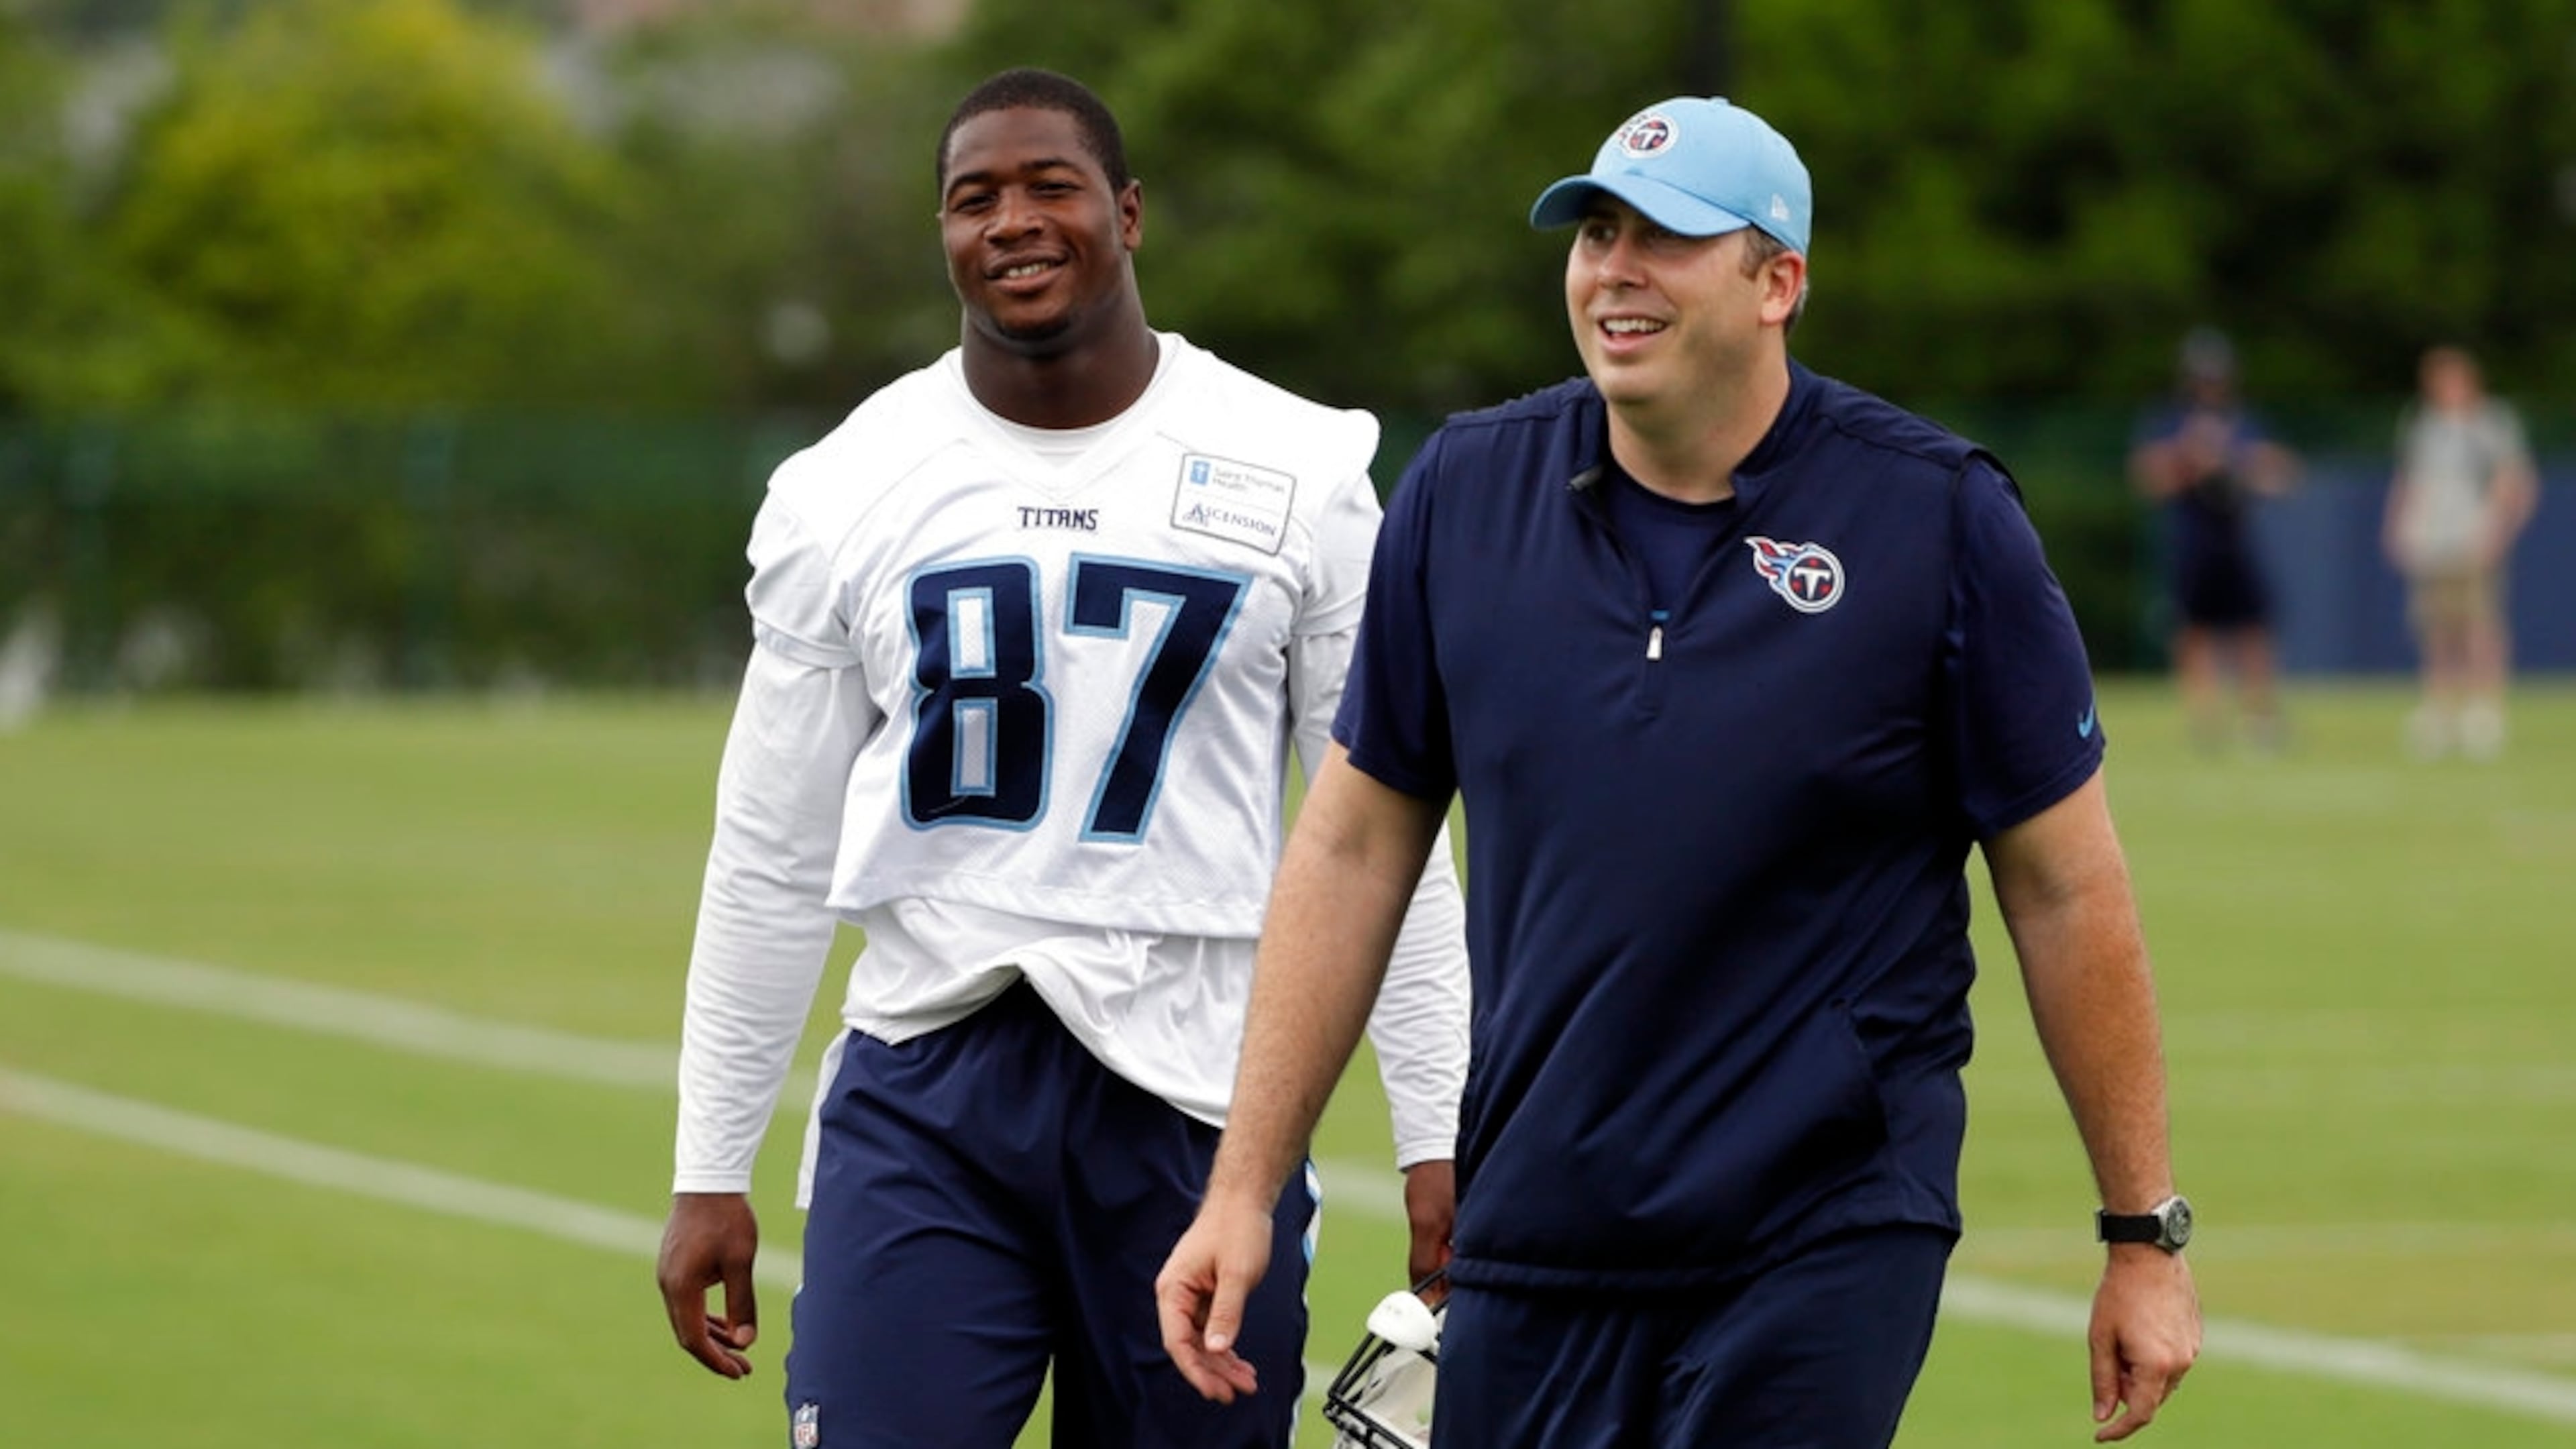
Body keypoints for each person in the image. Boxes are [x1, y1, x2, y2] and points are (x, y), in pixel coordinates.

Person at [1159, 95, 2201, 1447]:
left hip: (1822, 1223)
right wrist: (1244, 1186)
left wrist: (2144, 1232)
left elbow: (2065, 889)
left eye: (1668, 238)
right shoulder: (1462, 497)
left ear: (1780, 282)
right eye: (1597, 233)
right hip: (1535, 1224)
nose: (1616, 270)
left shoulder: (1937, 519)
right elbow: (1351, 849)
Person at [653, 66, 1470, 1449]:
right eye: (975, 198)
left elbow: (1383, 841)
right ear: (943, 234)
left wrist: (1437, 1127)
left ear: (1130, 212)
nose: (1013, 222)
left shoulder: (1301, 469)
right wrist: (708, 1164)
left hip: (1207, 1098)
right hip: (929, 1081)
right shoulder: (847, 484)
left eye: (1051, 187)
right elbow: (772, 852)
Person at [2127, 327, 2301, 751]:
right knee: (2193, 629)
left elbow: (2283, 474)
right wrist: (2189, 459)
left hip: (2235, 537)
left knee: (2254, 628)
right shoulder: (2169, 421)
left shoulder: (2243, 423)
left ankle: (2260, 718)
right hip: (2192, 540)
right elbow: (2148, 478)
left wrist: (2233, 460)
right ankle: (2206, 722)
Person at [2383, 344, 2540, 759]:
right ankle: (2439, 708)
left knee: (2480, 624)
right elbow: (2409, 481)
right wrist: (2398, 526)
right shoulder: (2422, 424)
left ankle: (2484, 710)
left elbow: (2516, 481)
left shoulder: (2491, 423)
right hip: (2431, 541)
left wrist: (2497, 531)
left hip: (2473, 539)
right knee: (2436, 627)